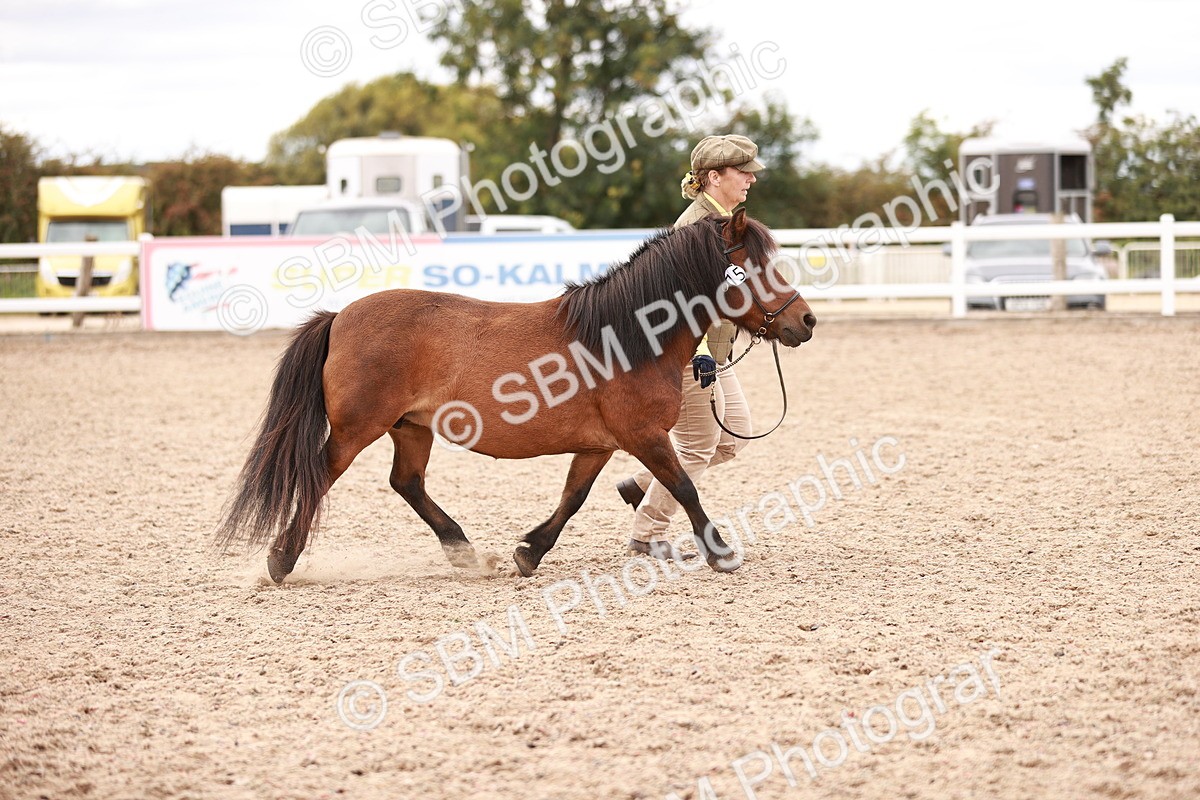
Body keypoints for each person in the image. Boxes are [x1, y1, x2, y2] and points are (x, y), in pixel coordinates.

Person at [619, 133, 764, 560]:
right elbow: (678, 305)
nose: (751, 180)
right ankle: (647, 533)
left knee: (733, 438)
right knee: (698, 447)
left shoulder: (724, 223)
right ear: (714, 177)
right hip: (689, 355)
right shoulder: (696, 228)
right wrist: (700, 352)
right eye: (743, 172)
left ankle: (642, 484)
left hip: (712, 352)